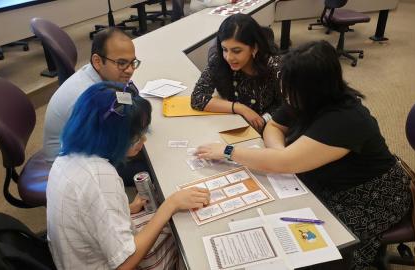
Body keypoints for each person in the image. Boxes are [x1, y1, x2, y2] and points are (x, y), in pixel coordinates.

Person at [196, 41, 412, 269]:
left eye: (290, 89)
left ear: (313, 87)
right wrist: (282, 155)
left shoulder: (345, 120)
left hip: (369, 198)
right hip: (329, 181)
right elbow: (274, 128)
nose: (285, 95)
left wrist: (230, 151)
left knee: (321, 253)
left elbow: (285, 162)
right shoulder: (307, 98)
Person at [46, 81, 210, 270]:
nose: (144, 139)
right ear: (112, 136)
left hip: (75, 259)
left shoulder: (66, 154)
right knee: (183, 237)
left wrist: (127, 208)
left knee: (159, 218)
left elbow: (88, 211)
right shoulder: (100, 176)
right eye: (136, 135)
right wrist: (170, 205)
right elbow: (125, 263)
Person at [42, 27, 144, 185]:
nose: (130, 70)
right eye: (122, 63)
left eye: (132, 62)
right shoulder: (87, 98)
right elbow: (106, 148)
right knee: (148, 166)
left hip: (84, 147)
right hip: (70, 167)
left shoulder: (101, 77)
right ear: (97, 61)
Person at [190, 14, 282, 133]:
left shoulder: (274, 65)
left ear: (254, 48)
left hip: (270, 127)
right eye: (225, 49)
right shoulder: (219, 60)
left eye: (236, 51)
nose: (229, 57)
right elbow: (197, 98)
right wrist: (240, 108)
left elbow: (286, 106)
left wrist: (263, 120)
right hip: (233, 123)